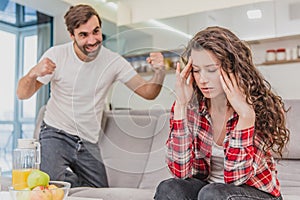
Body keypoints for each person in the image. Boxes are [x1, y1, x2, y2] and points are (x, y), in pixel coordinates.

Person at [16, 4, 166, 188]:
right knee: (48, 187)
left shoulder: (113, 61)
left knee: (101, 193)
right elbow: (22, 94)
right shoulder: (57, 55)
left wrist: (160, 72)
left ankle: (70, 182)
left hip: (88, 142)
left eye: (96, 31)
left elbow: (148, 92)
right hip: (56, 133)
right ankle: (64, 181)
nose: (93, 40)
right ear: (72, 35)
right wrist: (33, 73)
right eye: (83, 35)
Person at [154, 26, 289, 200]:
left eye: (211, 69)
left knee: (213, 194)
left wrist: (246, 117)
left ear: (232, 68)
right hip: (209, 191)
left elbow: (236, 178)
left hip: (254, 193)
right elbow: (180, 172)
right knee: (169, 188)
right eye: (196, 70)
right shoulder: (192, 107)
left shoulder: (256, 106)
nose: (202, 80)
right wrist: (181, 105)